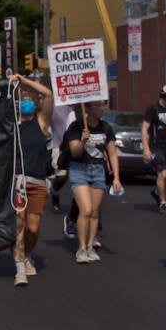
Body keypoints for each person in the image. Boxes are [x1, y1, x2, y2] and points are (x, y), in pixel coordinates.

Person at [9, 74, 53, 286]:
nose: (26, 98)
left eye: (30, 96)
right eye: (22, 96)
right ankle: (19, 268)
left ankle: (25, 253)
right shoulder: (11, 125)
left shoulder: (41, 123)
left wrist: (24, 80)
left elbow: (48, 94)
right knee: (19, 223)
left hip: (37, 182)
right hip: (17, 182)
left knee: (33, 228)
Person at [65, 100, 121, 263]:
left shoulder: (106, 128)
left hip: (98, 171)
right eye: (99, 105)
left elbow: (112, 153)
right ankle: (81, 248)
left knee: (95, 212)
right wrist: (83, 140)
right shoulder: (76, 126)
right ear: (88, 108)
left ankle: (90, 246)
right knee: (86, 210)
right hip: (79, 169)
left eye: (104, 105)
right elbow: (74, 152)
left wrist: (116, 177)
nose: (103, 108)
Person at [142, 84, 166, 216]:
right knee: (163, 174)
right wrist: (146, 149)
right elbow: (145, 129)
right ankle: (163, 203)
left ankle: (157, 191)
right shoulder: (153, 109)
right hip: (158, 147)